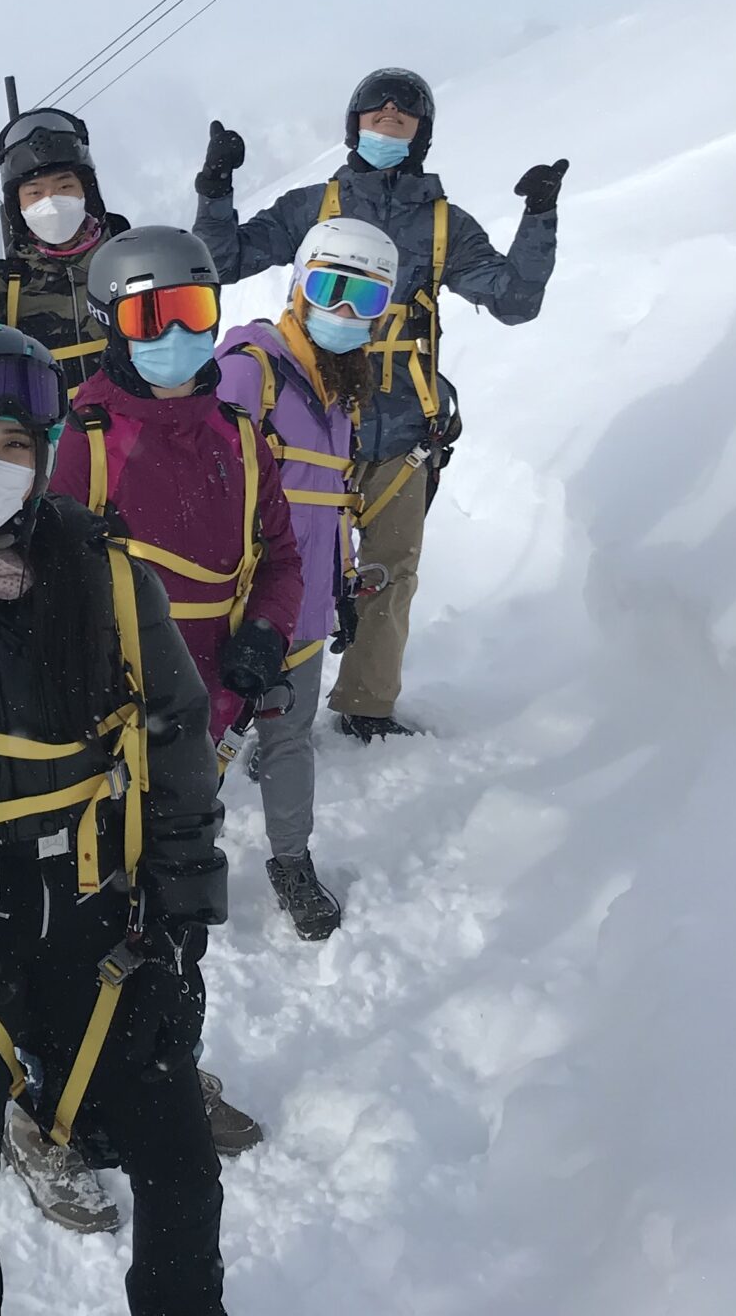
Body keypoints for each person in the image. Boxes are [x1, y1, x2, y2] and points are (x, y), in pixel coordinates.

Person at [0, 324, 230, 1315]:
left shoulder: (103, 578)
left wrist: (179, 924)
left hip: (95, 919)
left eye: (13, 447)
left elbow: (174, 745)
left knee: (176, 1162)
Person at [191, 67, 562, 738]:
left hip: (402, 430)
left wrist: (539, 220)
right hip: (309, 420)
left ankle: (365, 705)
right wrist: (215, 191)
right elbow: (224, 259)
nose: (387, 130)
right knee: (283, 565)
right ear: (354, 128)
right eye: (376, 120)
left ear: (421, 136)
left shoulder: (443, 224)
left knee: (388, 573)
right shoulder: (315, 206)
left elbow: (513, 298)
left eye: (402, 122)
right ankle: (263, 705)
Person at [44, 225, 300, 1171]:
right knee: (96, 910)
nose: (175, 339)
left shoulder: (239, 434)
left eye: (193, 315)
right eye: (150, 319)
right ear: (114, 324)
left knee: (181, 905)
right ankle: (60, 1092)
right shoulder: (87, 433)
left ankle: (159, 1066)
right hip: (107, 725)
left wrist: (267, 634)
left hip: (208, 720)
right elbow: (47, 573)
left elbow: (280, 553)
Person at [212, 217, 403, 940]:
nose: (348, 315)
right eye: (333, 290)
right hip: (237, 609)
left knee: (289, 743)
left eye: (368, 302)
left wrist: (341, 586)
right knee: (202, 748)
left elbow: (334, 504)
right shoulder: (248, 369)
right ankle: (174, 858)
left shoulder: (341, 392)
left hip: (307, 611)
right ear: (299, 285)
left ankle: (291, 862)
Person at [0, 105, 129, 398]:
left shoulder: (130, 263)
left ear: (86, 191)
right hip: (45, 439)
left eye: (65, 186)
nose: (52, 201)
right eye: (35, 193)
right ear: (17, 207)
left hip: (129, 437)